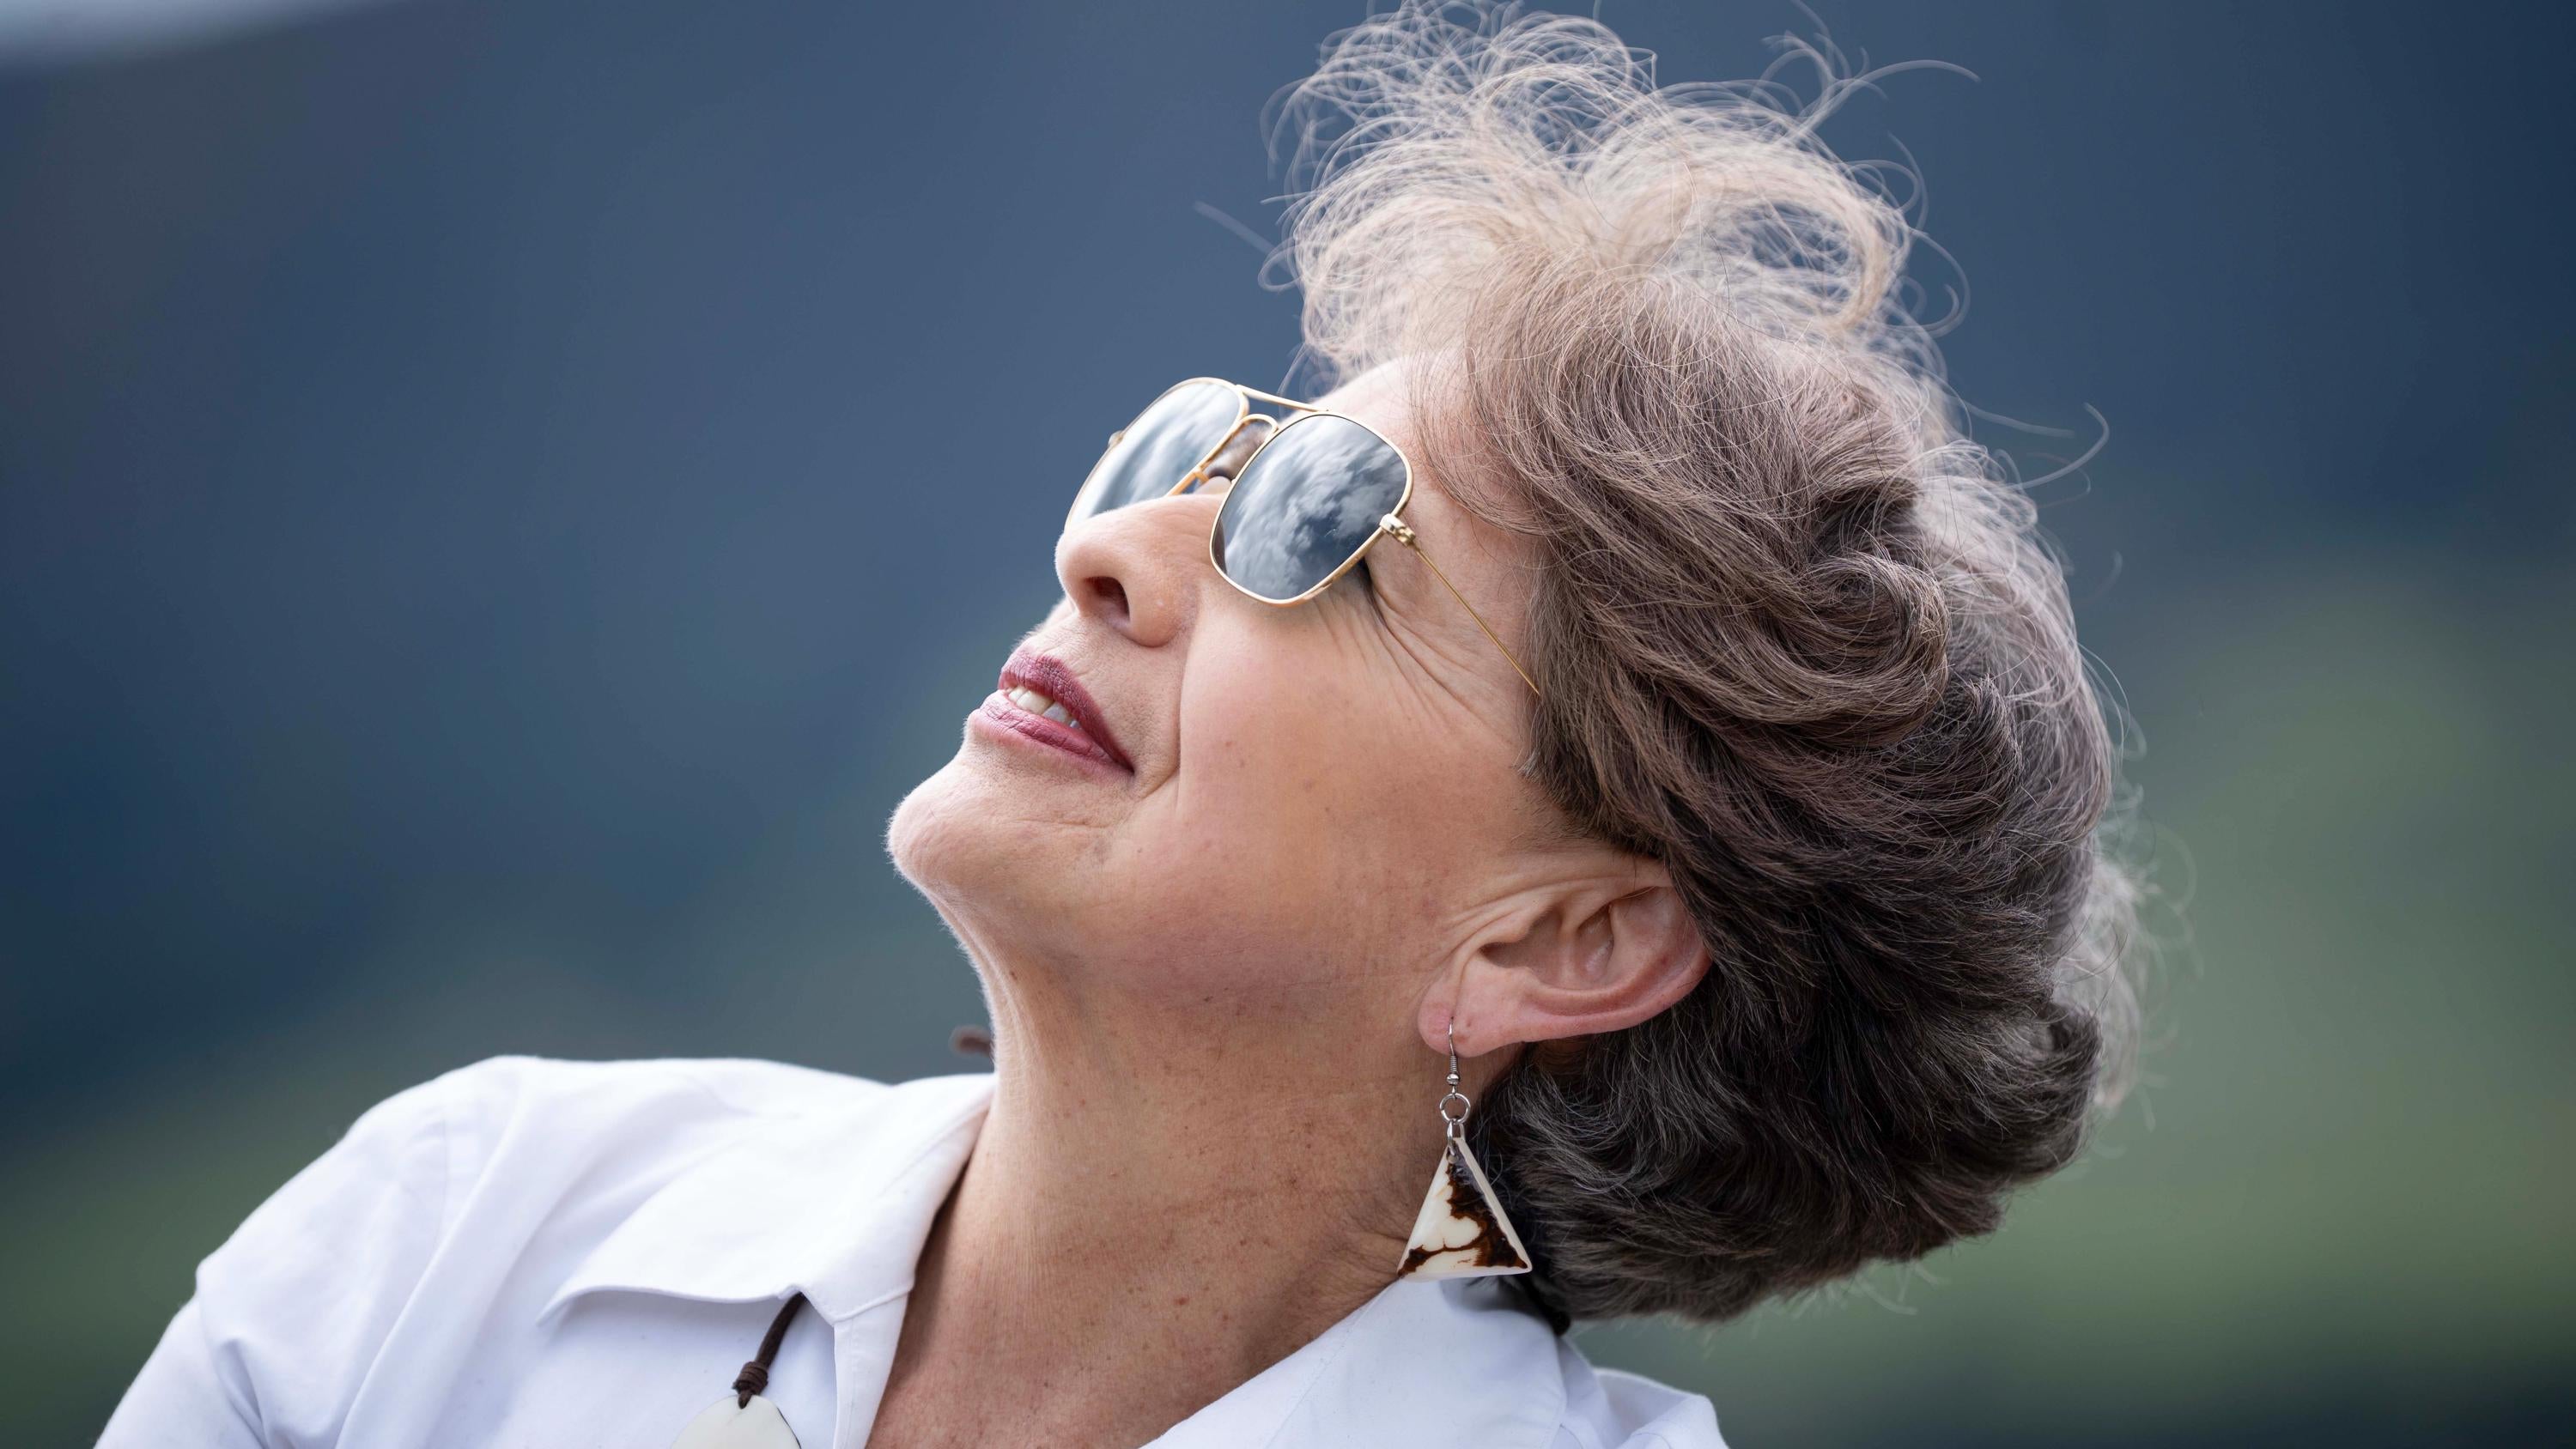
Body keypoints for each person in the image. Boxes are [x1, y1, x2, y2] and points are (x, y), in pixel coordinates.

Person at [100, 3, 2139, 1445]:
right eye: (1192, 451)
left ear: (1561, 937)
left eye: (1324, 532)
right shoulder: (460, 1230)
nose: (1110, 553)